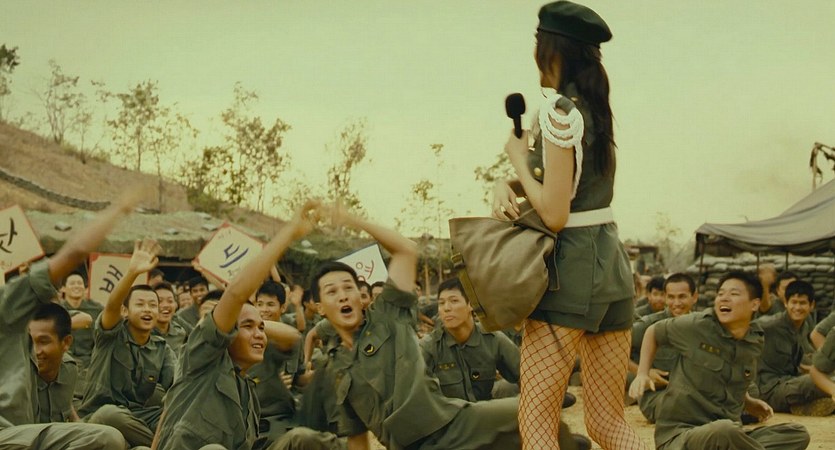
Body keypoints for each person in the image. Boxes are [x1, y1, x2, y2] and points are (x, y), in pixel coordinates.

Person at [494, 2, 643, 448]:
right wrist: (509, 182)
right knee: (608, 423)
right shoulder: (592, 109)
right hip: (610, 266)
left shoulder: (558, 113)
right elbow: (572, 186)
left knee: (536, 421)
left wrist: (516, 157)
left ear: (551, 51)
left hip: (568, 270)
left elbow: (556, 214)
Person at [314, 204, 529, 450]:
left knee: (532, 412)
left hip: (452, 426)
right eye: (332, 291)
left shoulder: (387, 314)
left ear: (361, 296)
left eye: (348, 287)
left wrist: (352, 219)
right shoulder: (335, 367)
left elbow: (406, 250)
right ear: (320, 307)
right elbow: (356, 436)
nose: (343, 295)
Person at [154, 201, 332, 450]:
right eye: (248, 326)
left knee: (302, 439)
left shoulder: (246, 391)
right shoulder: (200, 360)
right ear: (227, 332)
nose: (259, 334)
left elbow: (291, 335)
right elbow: (236, 293)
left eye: (261, 328)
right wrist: (289, 233)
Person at [0, 190, 143, 449]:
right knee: (105, 437)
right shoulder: (7, 306)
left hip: (21, 434)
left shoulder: (60, 359)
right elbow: (74, 252)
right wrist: (119, 208)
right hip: (10, 437)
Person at [629, 272, 810, 449]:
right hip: (682, 435)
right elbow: (653, 332)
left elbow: (737, 378)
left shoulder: (754, 339)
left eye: (733, 294)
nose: (724, 298)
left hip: (726, 432)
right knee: (725, 431)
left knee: (797, 433)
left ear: (754, 304)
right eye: (721, 294)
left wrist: (748, 402)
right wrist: (642, 373)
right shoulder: (698, 325)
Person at [79, 238, 178, 448]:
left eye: (152, 305)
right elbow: (112, 306)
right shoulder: (111, 335)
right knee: (110, 414)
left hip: (139, 417)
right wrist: (132, 273)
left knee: (179, 417)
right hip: (99, 416)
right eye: (140, 304)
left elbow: (178, 385)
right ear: (125, 311)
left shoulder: (162, 349)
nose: (147, 309)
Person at [420, 277, 520, 402]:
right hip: (448, 412)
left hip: (485, 408)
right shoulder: (430, 346)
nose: (446, 308)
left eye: (454, 301)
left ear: (471, 304)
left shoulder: (493, 339)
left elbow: (526, 376)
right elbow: (414, 391)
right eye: (441, 303)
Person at [755, 280, 833, 416]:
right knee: (817, 382)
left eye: (802, 303)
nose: (797, 307)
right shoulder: (770, 325)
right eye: (794, 302)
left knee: (825, 377)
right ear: (786, 303)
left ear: (811, 305)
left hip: (789, 381)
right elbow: (745, 328)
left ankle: (802, 406)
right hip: (769, 389)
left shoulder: (804, 326)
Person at [627, 273, 698, 423]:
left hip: (694, 393)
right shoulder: (649, 325)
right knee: (684, 406)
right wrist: (643, 371)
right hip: (658, 396)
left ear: (694, 297)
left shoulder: (701, 325)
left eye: (682, 297)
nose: (676, 303)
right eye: (671, 297)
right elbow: (613, 350)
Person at [30, 302, 81, 423]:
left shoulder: (69, 369)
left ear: (66, 343)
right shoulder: (19, 376)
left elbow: (66, 405)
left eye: (43, 342)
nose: (35, 351)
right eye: (29, 342)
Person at [60, 271, 103, 407]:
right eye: (72, 283)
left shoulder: (97, 309)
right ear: (63, 288)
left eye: (80, 283)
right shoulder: (56, 309)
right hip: (63, 361)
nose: (76, 286)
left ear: (86, 288)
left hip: (89, 363)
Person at [153, 281, 189, 355]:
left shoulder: (180, 333)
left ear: (176, 304)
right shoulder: (143, 334)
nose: (165, 305)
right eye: (159, 301)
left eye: (170, 301)